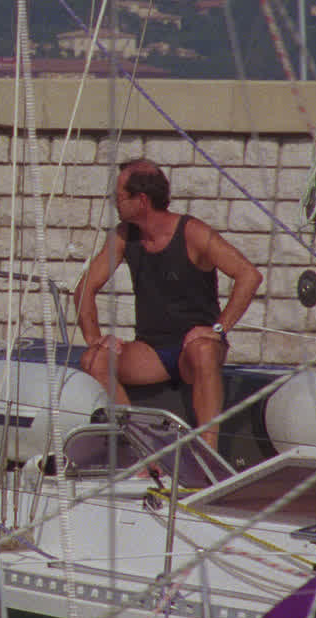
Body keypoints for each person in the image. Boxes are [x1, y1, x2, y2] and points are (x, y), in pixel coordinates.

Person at [75, 158, 262, 452]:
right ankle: (140, 448)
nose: (115, 204)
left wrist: (218, 328)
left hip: (195, 348)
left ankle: (207, 453)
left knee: (202, 350)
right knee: (94, 359)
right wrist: (94, 339)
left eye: (119, 197)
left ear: (142, 200)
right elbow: (85, 289)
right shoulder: (124, 236)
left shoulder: (192, 232)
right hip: (152, 350)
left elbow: (249, 275)